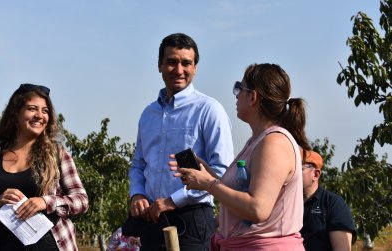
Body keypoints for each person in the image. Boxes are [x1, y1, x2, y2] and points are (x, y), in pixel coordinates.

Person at [170, 63, 309, 250]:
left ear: (253, 97)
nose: (236, 95)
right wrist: (209, 175)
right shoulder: (258, 140)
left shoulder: (274, 143)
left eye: (239, 88)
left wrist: (209, 184)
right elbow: (242, 193)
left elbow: (257, 208)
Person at [127, 33, 234, 251]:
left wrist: (172, 201)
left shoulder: (209, 110)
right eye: (171, 62)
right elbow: (139, 164)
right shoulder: (148, 114)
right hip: (152, 220)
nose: (179, 70)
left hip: (192, 220)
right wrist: (137, 194)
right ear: (159, 65)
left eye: (186, 63)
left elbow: (220, 172)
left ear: (195, 67)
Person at [0, 83, 89, 251]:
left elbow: (81, 200)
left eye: (45, 111)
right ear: (15, 113)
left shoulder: (57, 154)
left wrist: (45, 202)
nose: (40, 115)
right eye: (32, 109)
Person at [300, 150, 356, 251]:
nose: (292, 173)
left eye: (299, 169)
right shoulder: (284, 203)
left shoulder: (333, 204)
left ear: (315, 174)